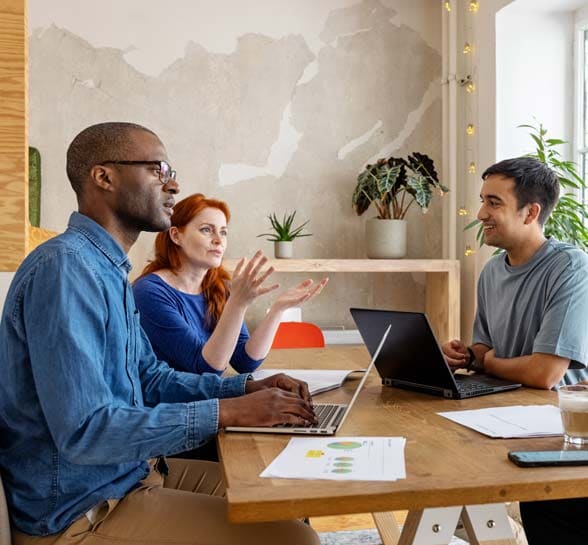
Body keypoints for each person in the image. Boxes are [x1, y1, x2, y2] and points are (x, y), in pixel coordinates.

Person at [0, 122, 320, 545]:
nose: (174, 184)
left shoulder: (107, 269)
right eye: (159, 169)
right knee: (294, 541)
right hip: (80, 510)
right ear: (104, 177)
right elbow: (85, 432)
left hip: (130, 475)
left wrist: (246, 388)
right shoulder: (66, 270)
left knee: (288, 496)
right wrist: (228, 413)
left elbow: (150, 378)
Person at [441, 156, 588, 545]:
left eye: (494, 203)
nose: (480, 213)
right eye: (482, 200)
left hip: (559, 433)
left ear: (531, 212)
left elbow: (546, 374)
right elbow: (485, 346)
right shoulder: (492, 270)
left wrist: (487, 362)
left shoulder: (571, 268)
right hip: (504, 417)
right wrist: (467, 355)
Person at [133, 193, 327, 376]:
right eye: (206, 230)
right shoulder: (149, 292)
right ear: (176, 236)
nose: (219, 240)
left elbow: (245, 361)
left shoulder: (218, 288)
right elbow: (205, 369)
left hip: (208, 400)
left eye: (223, 232)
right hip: (171, 407)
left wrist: (278, 310)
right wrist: (238, 303)